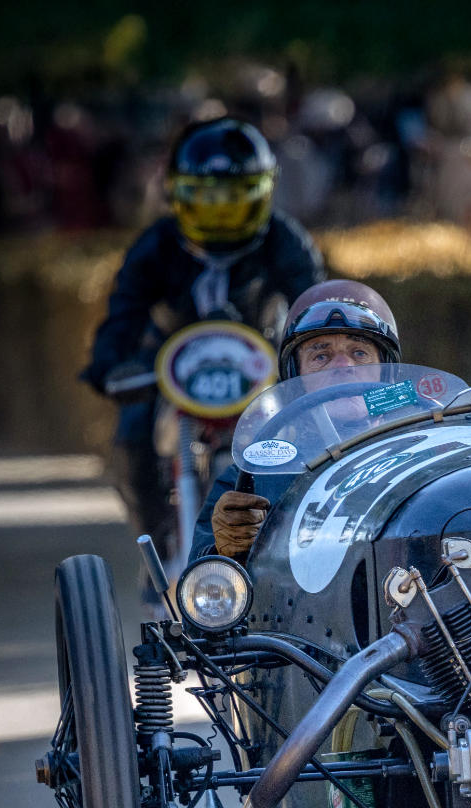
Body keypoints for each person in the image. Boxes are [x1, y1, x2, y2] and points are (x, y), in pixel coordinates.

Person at [78, 117, 325, 546]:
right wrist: (110, 365)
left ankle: (303, 538)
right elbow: (124, 312)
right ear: (176, 192)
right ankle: (155, 543)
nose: (221, 210)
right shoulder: (154, 245)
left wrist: (315, 367)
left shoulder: (285, 239)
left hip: (260, 361)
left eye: (233, 197)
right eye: (207, 197)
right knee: (133, 428)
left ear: (264, 191)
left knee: (313, 432)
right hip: (171, 369)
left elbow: (314, 309)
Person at [198, 280, 403, 560]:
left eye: (359, 352)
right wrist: (223, 550)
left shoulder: (429, 452)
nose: (344, 367)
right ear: (296, 379)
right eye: (321, 355)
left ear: (386, 371)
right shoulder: (251, 479)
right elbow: (205, 589)